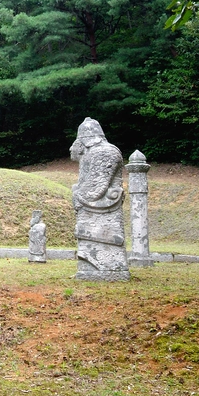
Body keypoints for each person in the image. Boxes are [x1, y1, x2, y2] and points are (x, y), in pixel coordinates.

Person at [70, 118, 129, 280]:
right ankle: (96, 265)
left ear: (83, 141)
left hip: (101, 207)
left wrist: (76, 194)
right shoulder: (95, 152)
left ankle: (110, 267)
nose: (71, 148)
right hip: (96, 206)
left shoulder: (103, 152)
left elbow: (95, 189)